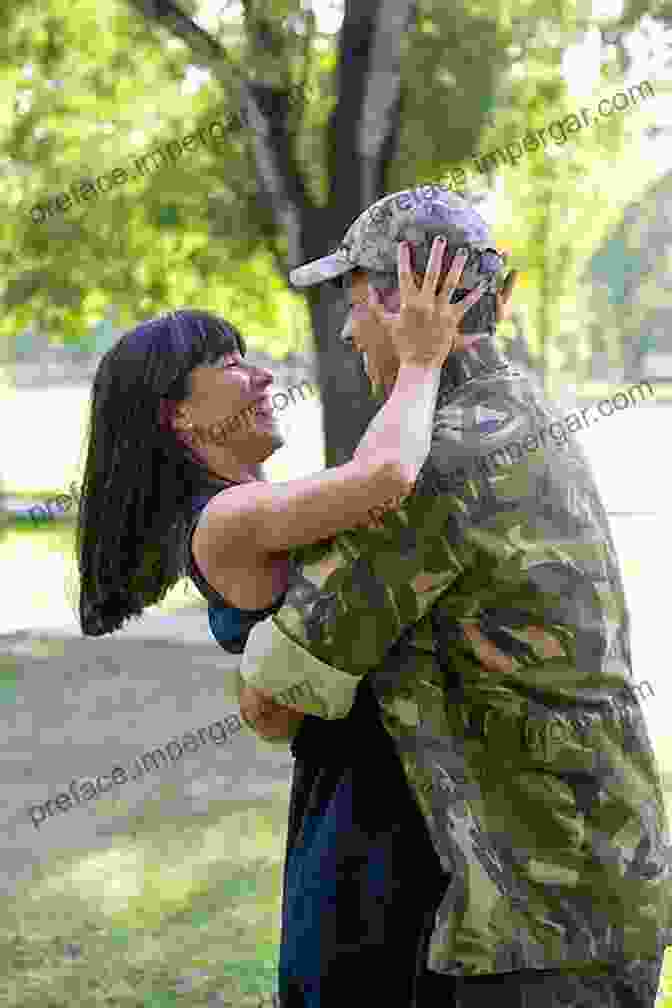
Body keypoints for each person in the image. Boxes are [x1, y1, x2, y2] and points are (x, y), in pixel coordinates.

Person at [236, 185, 672, 1008]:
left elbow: (272, 699)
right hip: (604, 896)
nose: (344, 326)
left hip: (534, 933)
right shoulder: (523, 412)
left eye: (355, 299)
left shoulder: (440, 462)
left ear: (409, 302)